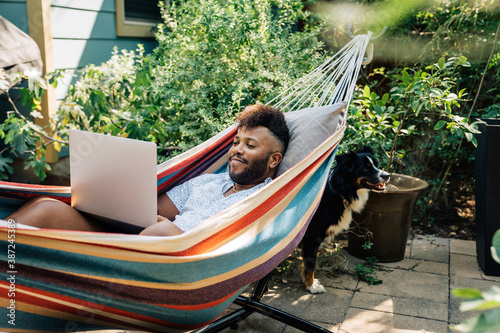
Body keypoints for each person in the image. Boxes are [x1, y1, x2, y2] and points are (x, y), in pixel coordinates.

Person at [6, 104, 290, 236]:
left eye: (250, 145)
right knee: (47, 208)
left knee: (163, 234)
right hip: (135, 246)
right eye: (236, 142)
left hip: (180, 265)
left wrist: (171, 231)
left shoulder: (268, 197)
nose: (237, 150)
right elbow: (146, 213)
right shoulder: (206, 183)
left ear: (274, 160)